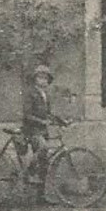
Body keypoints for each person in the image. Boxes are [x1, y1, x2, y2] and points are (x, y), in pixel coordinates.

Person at [21, 64, 67, 196]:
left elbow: (49, 114)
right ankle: (29, 171)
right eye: (40, 77)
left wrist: (61, 121)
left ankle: (41, 196)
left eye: (46, 78)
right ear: (35, 79)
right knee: (44, 148)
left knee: (44, 162)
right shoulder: (30, 93)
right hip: (31, 130)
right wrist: (42, 121)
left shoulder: (45, 94)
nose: (43, 80)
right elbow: (27, 115)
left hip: (42, 130)